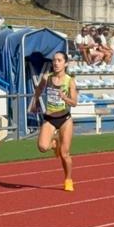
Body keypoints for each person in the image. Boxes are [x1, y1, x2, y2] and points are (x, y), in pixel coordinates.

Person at [30, 52, 78, 191]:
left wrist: (65, 98)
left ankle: (68, 179)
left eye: (59, 60)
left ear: (65, 63)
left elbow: (74, 102)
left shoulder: (70, 81)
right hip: (50, 118)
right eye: (54, 60)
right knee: (42, 147)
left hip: (64, 119)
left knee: (64, 154)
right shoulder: (47, 77)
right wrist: (35, 103)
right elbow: (39, 89)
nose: (56, 63)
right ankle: (54, 143)